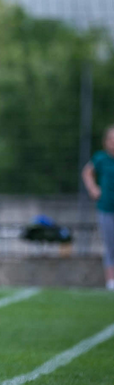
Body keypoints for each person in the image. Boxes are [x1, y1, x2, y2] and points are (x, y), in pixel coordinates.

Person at [82, 124, 114, 291]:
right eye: (111, 139)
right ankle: (111, 281)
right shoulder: (101, 158)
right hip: (106, 208)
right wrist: (93, 189)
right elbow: (86, 172)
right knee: (110, 245)